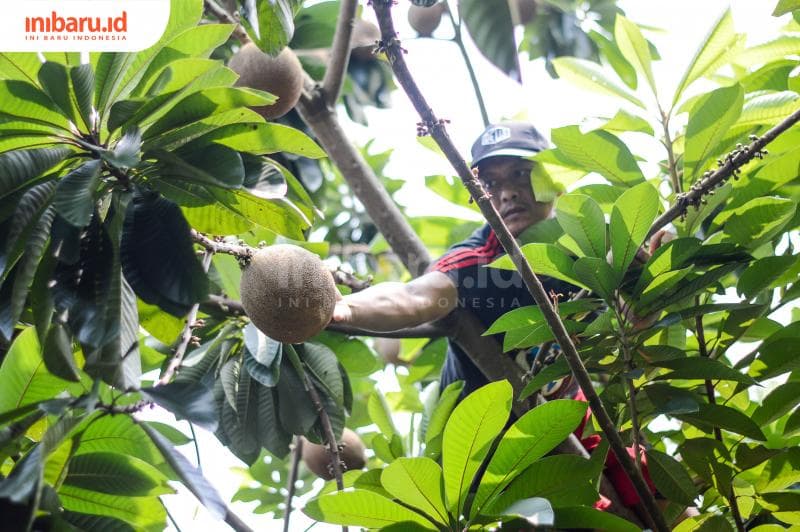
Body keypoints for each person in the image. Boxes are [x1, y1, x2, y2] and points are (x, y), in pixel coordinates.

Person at [331, 121, 678, 519]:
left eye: (521, 174)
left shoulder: (592, 247)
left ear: (553, 180)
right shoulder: (478, 262)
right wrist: (342, 309)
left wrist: (655, 281)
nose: (508, 192)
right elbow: (415, 296)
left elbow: (637, 322)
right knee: (579, 517)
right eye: (491, 184)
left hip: (565, 412)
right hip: (489, 446)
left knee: (662, 490)